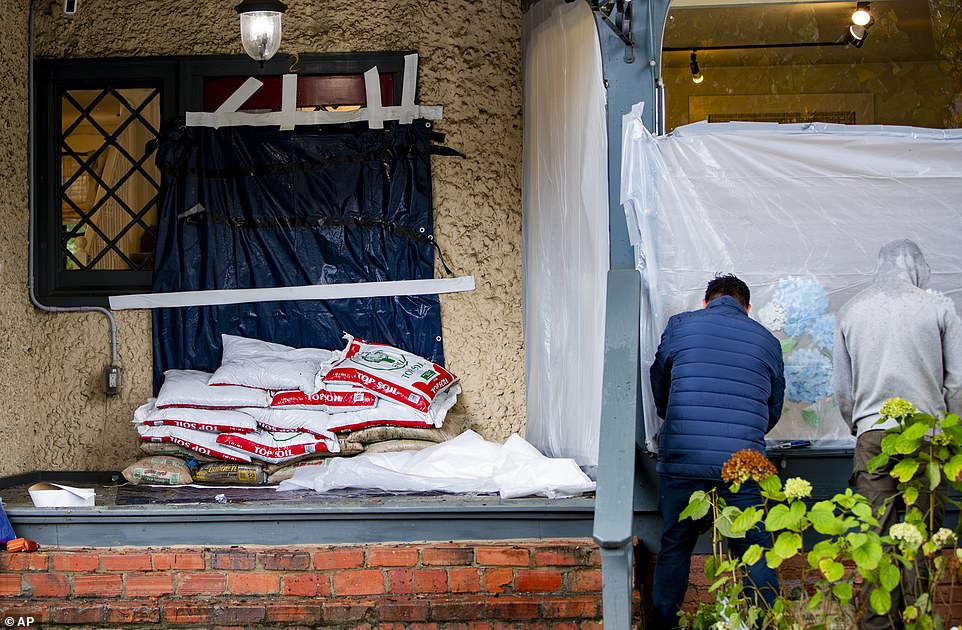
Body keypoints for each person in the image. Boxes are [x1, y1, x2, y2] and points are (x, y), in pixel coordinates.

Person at [834, 239, 962, 630]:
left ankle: (878, 624)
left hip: (872, 436)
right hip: (927, 439)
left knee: (876, 537)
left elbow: (842, 389)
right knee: (921, 536)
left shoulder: (851, 310)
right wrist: (951, 435)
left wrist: (862, 426)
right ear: (916, 266)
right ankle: (918, 618)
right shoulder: (938, 306)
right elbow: (956, 384)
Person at [649, 273, 786, 628]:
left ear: (706, 302)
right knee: (754, 549)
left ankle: (664, 624)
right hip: (741, 465)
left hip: (684, 458)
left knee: (676, 547)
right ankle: (766, 623)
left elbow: (660, 383)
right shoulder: (768, 341)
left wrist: (674, 419)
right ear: (747, 307)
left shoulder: (680, 326)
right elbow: (773, 408)